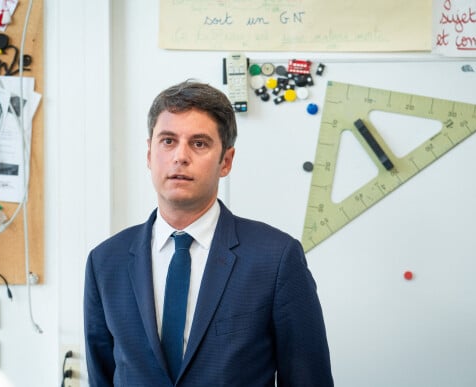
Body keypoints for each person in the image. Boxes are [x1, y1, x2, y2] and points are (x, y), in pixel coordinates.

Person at [83, 80, 334, 386]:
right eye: (167, 141)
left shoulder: (276, 259)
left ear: (225, 161)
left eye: (199, 143)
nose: (180, 156)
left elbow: (309, 379)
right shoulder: (105, 262)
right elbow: (101, 377)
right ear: (149, 154)